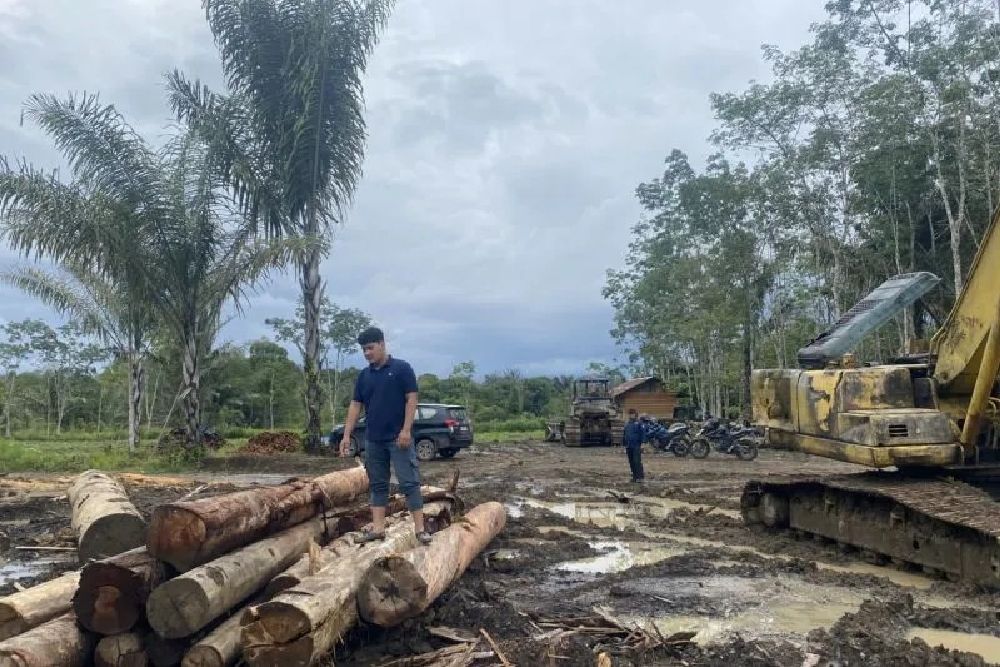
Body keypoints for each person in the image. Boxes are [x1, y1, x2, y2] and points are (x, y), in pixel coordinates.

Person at [340, 326, 432, 545]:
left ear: (382, 344)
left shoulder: (402, 369)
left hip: (398, 438)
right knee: (377, 485)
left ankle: (420, 529)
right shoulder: (364, 376)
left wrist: (406, 430)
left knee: (409, 483)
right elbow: (355, 406)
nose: (367, 353)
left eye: (370, 348)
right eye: (364, 350)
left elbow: (412, 399)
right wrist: (346, 435)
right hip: (374, 440)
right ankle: (378, 529)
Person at [623, 409, 645, 483]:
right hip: (629, 446)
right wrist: (624, 445)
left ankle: (640, 477)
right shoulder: (627, 424)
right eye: (630, 414)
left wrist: (642, 444)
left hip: (636, 445)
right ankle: (634, 476)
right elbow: (625, 434)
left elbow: (642, 434)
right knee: (631, 461)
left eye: (632, 414)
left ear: (635, 414)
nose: (631, 415)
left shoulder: (639, 423)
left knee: (637, 461)